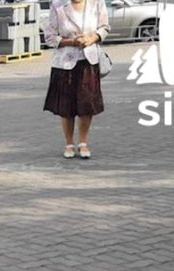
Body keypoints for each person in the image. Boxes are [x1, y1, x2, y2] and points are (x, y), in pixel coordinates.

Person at [42, 0, 109, 159]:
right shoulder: (57, 6)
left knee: (87, 103)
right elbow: (50, 37)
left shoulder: (97, 3)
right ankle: (69, 143)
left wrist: (93, 38)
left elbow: (105, 27)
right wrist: (71, 42)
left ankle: (83, 142)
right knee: (66, 106)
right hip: (64, 63)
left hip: (89, 60)